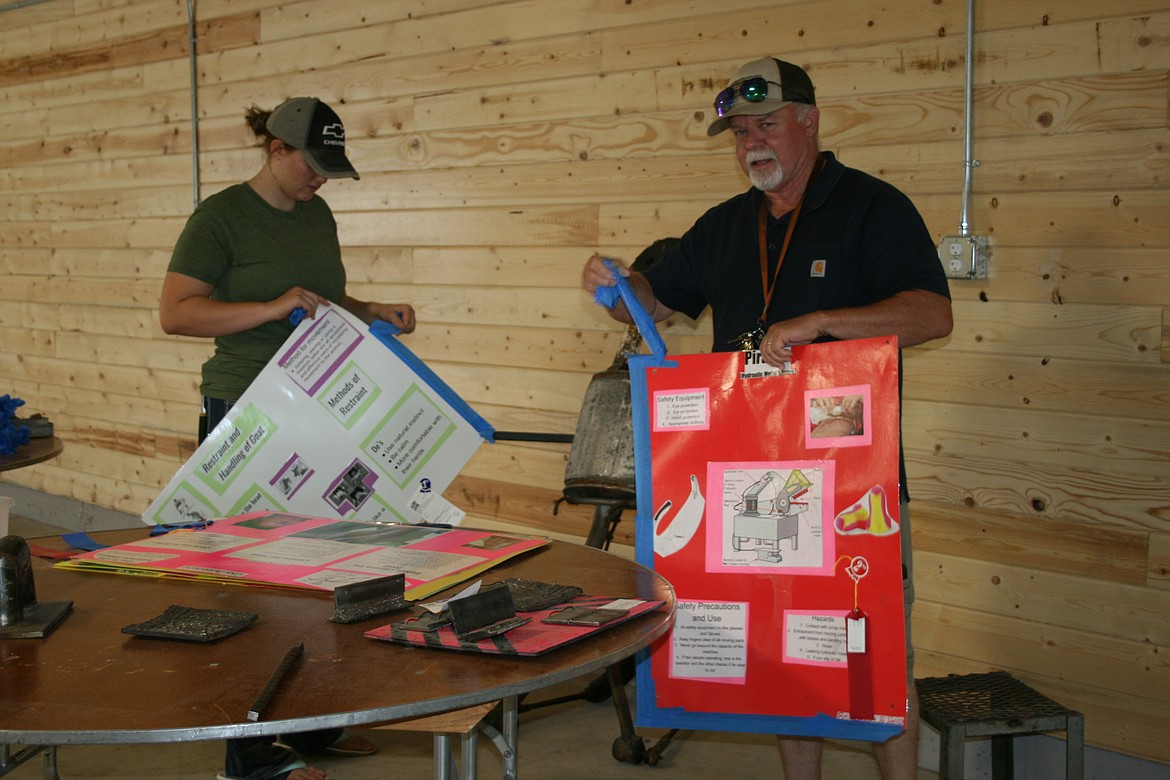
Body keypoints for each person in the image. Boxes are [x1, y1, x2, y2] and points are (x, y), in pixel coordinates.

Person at [581, 57, 953, 780]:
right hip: (747, 485)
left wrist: (819, 321)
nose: (752, 140)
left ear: (809, 122)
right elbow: (656, 300)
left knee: (871, 652)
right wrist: (616, 280)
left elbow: (931, 312)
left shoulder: (873, 207)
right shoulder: (725, 226)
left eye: (767, 124)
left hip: (852, 487)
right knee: (784, 653)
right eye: (740, 130)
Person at [160, 96, 415, 780]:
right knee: (251, 586)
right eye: (314, 164)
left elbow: (321, 298)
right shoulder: (218, 219)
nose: (322, 179)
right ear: (276, 149)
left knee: (323, 570)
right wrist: (271, 308)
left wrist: (370, 308)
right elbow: (176, 314)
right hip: (246, 410)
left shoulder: (317, 215)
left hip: (317, 404)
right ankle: (245, 754)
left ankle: (315, 727)